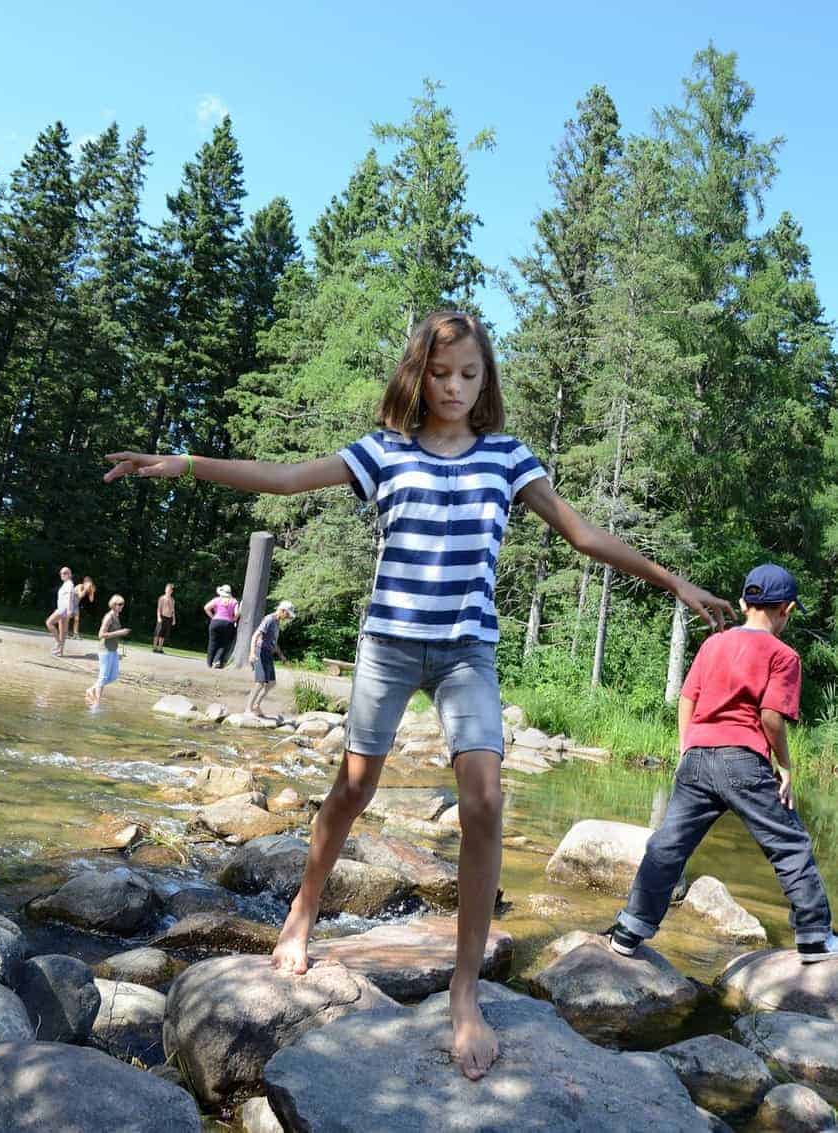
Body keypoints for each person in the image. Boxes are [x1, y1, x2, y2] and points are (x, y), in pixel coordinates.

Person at [104, 310, 734, 1081]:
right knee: (354, 788)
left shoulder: (507, 458)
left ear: (485, 378)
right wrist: (184, 463)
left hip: (468, 651)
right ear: (419, 375)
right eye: (442, 374)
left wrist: (673, 582)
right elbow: (286, 476)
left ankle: (464, 989)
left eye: (470, 374)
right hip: (390, 646)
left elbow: (582, 533)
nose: (455, 387)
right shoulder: (384, 453)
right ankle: (303, 910)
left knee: (485, 799)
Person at [610, 564, 837, 963]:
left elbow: (687, 697)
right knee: (788, 844)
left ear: (744, 602)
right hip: (743, 761)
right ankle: (815, 936)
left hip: (697, 758)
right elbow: (770, 718)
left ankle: (630, 929)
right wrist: (785, 766)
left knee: (668, 845)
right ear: (786, 609)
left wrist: (686, 748)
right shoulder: (783, 655)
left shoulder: (714, 644)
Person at [246, 600, 296, 716]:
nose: (288, 617)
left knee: (272, 683)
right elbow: (255, 636)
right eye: (287, 614)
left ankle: (256, 705)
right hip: (260, 652)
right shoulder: (269, 619)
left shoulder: (277, 622)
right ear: (283, 611)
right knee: (260, 682)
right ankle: (248, 709)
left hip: (268, 653)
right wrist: (252, 653)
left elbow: (273, 642)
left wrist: (281, 656)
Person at [85, 595, 130, 707]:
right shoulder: (109, 617)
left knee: (114, 676)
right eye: (120, 604)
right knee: (103, 676)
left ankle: (91, 689)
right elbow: (101, 635)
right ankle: (97, 702)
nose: (122, 606)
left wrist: (121, 633)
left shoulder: (116, 616)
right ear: (114, 605)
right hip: (105, 650)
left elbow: (113, 632)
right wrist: (120, 633)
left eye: (122, 604)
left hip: (113, 650)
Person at [204, 585, 239, 668]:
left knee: (212, 643)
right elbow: (237, 613)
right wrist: (233, 619)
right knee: (223, 644)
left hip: (215, 622)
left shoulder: (217, 600)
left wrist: (213, 617)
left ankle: (209, 663)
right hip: (228, 624)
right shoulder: (234, 601)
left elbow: (206, 608)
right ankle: (216, 661)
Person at [46, 566, 75, 657]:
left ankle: (59, 643)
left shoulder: (69, 583)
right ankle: (60, 651)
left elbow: (70, 597)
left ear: (69, 574)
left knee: (49, 623)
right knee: (62, 631)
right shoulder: (66, 583)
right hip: (62, 609)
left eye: (65, 573)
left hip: (64, 609)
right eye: (61, 573)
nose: (62, 575)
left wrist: (69, 610)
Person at [153, 583, 177, 653]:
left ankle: (160, 648)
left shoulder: (172, 600)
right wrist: (159, 617)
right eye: (168, 589)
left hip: (169, 618)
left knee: (163, 635)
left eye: (170, 590)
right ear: (165, 590)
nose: (169, 591)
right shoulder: (162, 598)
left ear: (172, 591)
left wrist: (174, 619)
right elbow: (158, 609)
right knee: (157, 633)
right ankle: (154, 647)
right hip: (162, 617)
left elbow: (173, 610)